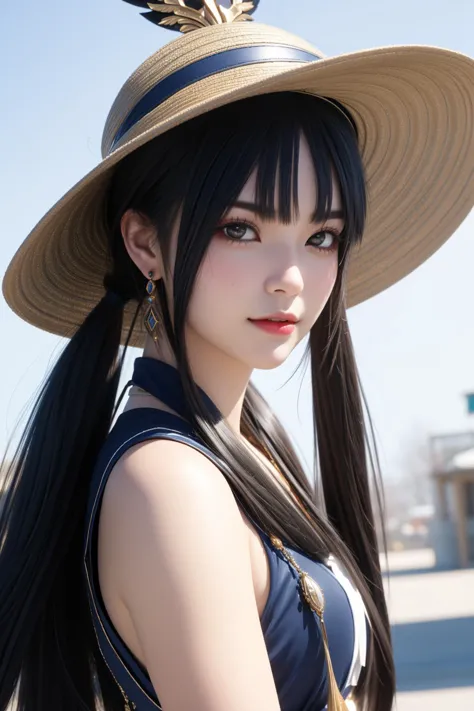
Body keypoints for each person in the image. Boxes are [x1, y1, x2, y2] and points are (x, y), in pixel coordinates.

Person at [1, 2, 473, 710]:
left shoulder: (240, 438)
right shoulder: (170, 483)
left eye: (321, 236)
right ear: (146, 243)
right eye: (240, 227)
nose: (290, 274)